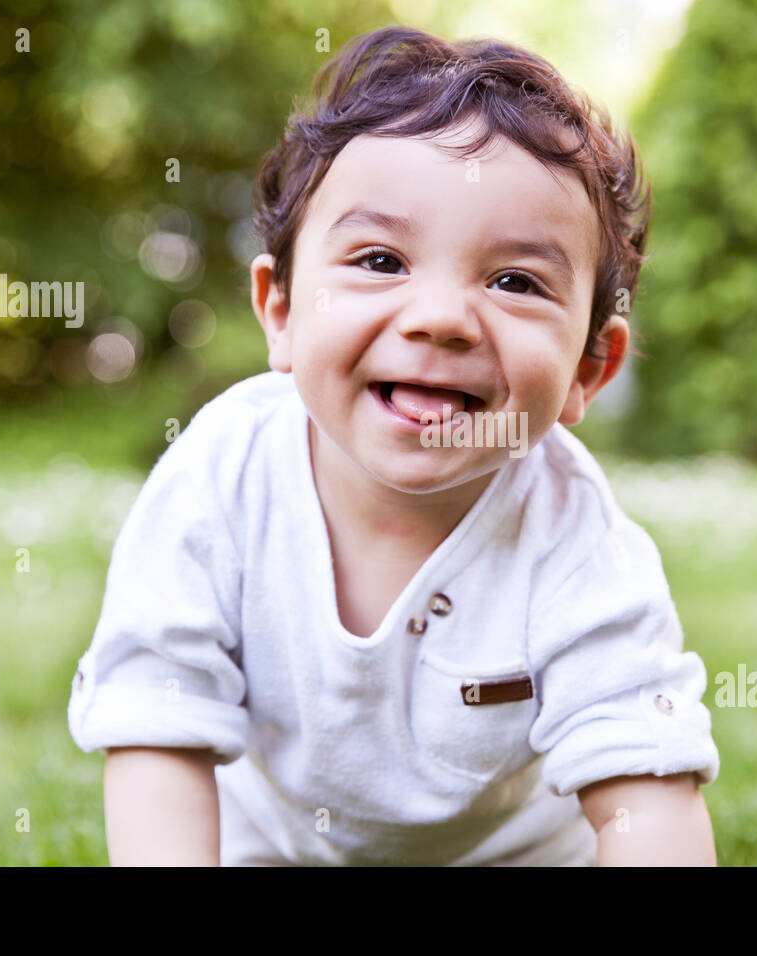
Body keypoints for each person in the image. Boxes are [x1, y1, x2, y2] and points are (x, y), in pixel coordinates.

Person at [68, 24, 720, 866]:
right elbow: (157, 726)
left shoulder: (575, 539)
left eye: (515, 281)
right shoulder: (222, 475)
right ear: (282, 311)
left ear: (588, 371)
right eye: (380, 260)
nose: (441, 318)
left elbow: (648, 789)